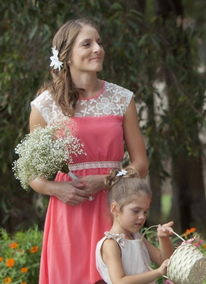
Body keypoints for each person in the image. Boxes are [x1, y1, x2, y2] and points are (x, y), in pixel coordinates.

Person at [29, 19, 148, 283]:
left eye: (100, 42)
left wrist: (108, 180)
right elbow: (32, 174)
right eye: (87, 43)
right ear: (66, 55)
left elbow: (140, 164)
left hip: (114, 209)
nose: (98, 49)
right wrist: (55, 189)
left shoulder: (121, 99)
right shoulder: (44, 106)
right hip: (69, 210)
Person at [95, 167, 173, 284]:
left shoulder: (137, 238)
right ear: (115, 209)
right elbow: (119, 281)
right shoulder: (111, 244)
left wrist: (163, 238)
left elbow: (165, 262)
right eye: (136, 211)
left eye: (145, 211)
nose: (142, 217)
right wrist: (157, 272)